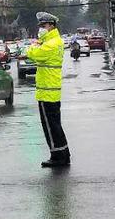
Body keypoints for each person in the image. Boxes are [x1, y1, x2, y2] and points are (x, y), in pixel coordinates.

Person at [19, 12, 70, 167]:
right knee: (55, 126)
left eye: (43, 25)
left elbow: (35, 54)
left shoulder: (51, 44)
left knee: (51, 127)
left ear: (51, 26)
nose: (40, 28)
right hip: (50, 91)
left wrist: (29, 48)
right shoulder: (53, 41)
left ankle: (58, 157)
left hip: (47, 92)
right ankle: (62, 154)